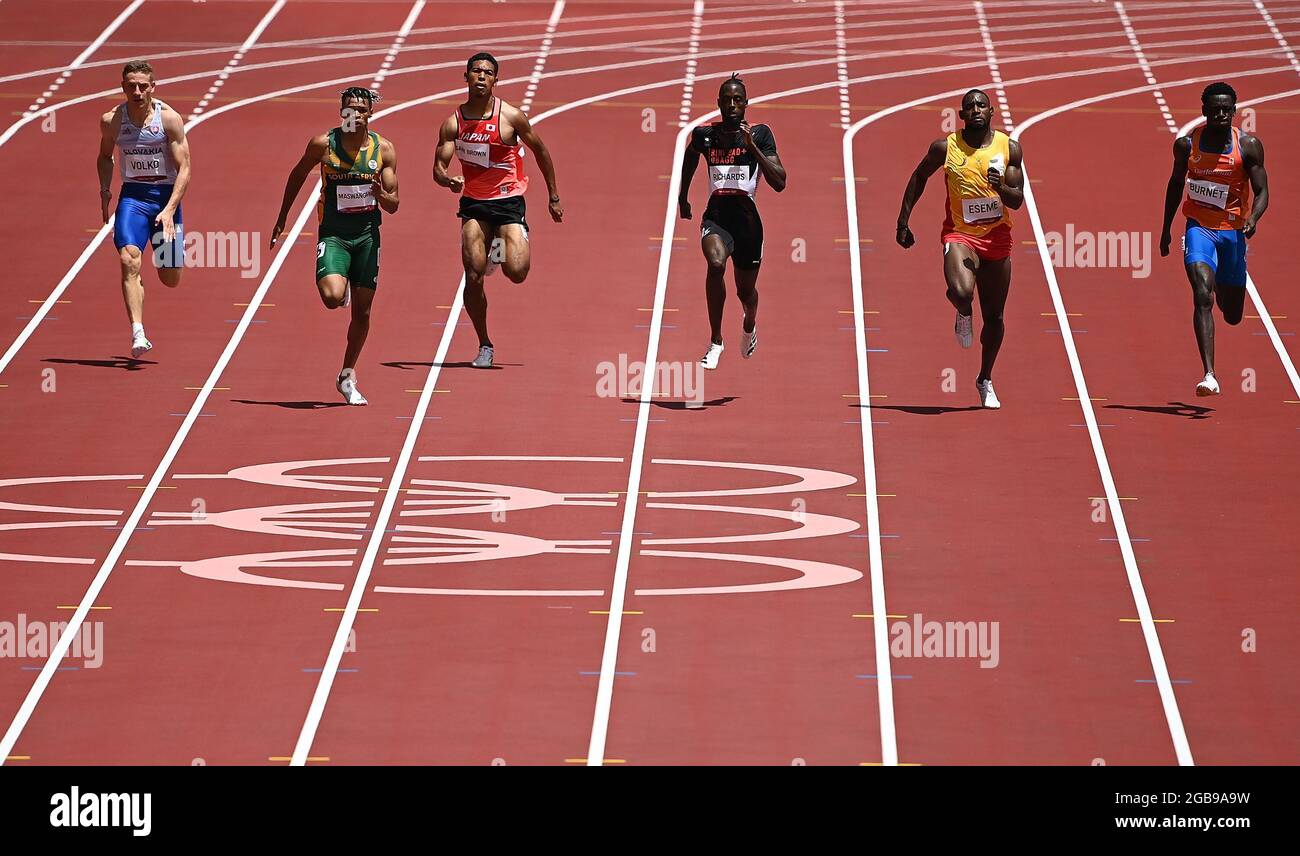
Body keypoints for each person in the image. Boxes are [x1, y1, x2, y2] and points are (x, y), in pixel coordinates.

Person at [433, 52, 563, 369]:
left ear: (495, 79)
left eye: (488, 72)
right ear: (466, 77)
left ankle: (501, 246)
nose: (481, 76)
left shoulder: (511, 117)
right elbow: (438, 166)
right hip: (473, 205)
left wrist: (553, 196)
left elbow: (541, 151)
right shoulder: (454, 123)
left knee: (516, 273)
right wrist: (447, 180)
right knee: (473, 276)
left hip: (508, 202)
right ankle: (485, 345)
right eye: (475, 71)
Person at [896, 89, 1024, 409]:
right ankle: (963, 312)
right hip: (960, 235)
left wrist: (999, 186)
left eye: (982, 105)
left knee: (994, 318)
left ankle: (985, 378)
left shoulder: (1009, 148)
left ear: (991, 111)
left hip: (997, 237)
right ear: (962, 115)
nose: (976, 109)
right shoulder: (946, 148)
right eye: (970, 106)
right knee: (962, 292)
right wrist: (903, 221)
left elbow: (1017, 200)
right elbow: (918, 176)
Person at [271, 87, 399, 405]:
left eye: (362, 110)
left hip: (368, 237)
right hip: (334, 235)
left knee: (363, 311)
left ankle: (346, 375)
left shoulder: (384, 149)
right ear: (341, 112)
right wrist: (282, 217)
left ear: (370, 114)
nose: (355, 114)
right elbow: (297, 175)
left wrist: (380, 193)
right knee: (331, 297)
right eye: (349, 109)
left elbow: (394, 203)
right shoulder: (323, 145)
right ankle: (339, 284)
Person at [1160, 82, 1269, 397]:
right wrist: (1166, 228)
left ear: (1234, 111)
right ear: (1204, 111)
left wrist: (1253, 218)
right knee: (1202, 296)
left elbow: (1262, 191)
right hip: (1199, 228)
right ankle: (1209, 374)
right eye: (1215, 108)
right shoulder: (1186, 146)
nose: (1221, 113)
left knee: (1232, 314)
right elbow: (1175, 184)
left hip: (1233, 232)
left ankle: (1225, 280)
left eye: (1226, 108)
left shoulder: (1248, 147)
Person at [678, 73, 785, 370]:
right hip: (717, 216)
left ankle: (749, 322)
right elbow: (690, 156)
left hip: (748, 224)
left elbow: (780, 182)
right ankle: (715, 341)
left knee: (745, 293)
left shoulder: (761, 135)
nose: (732, 105)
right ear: (719, 103)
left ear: (746, 103)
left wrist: (752, 148)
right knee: (715, 264)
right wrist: (682, 197)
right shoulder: (705, 135)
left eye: (738, 99)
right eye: (727, 100)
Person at [97, 60, 191, 359]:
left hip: (165, 198)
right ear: (123, 87)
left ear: (153, 87)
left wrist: (170, 209)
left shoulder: (169, 119)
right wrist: (105, 190)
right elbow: (104, 156)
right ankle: (138, 331)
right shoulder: (112, 120)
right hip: (133, 198)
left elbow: (185, 168)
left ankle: (152, 271)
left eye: (142, 86)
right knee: (129, 259)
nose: (136, 91)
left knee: (170, 277)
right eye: (130, 86)